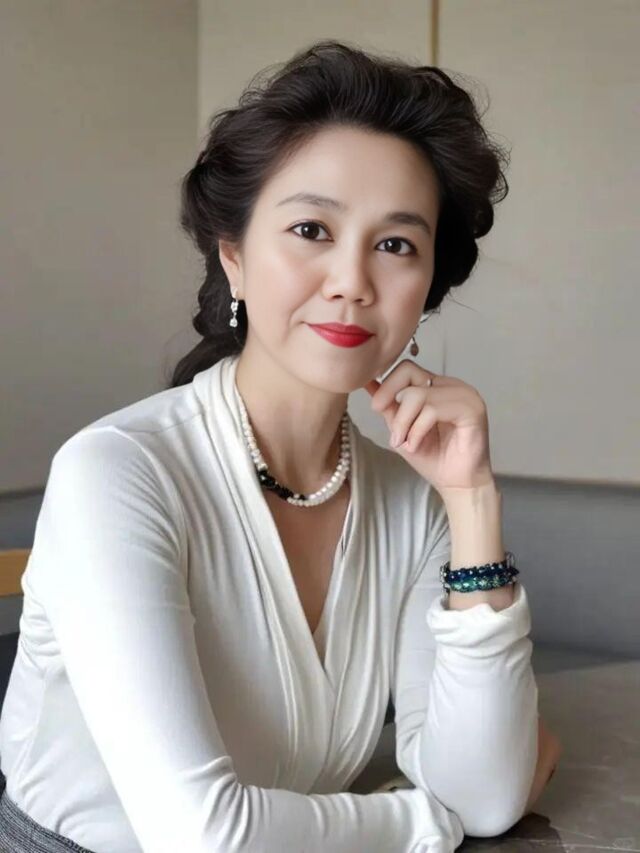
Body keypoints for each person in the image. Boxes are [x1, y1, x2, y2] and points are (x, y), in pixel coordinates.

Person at [0, 39, 558, 852]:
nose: (352, 280)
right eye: (310, 228)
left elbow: (486, 793)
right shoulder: (117, 473)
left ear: (425, 288)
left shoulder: (412, 504)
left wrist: (471, 501)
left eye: (396, 244)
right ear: (233, 256)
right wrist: (428, 819)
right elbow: (203, 834)